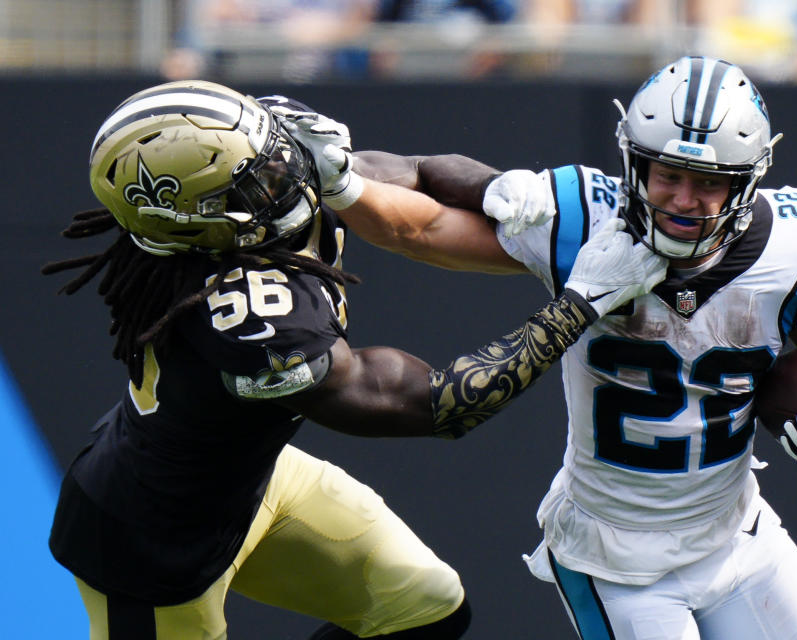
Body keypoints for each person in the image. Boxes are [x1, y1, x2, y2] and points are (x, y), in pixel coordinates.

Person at [43, 80, 666, 640]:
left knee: (423, 609)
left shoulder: (262, 150)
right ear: (198, 223)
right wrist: (578, 305)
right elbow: (433, 402)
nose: (286, 176)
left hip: (252, 481)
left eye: (277, 159)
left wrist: (500, 190)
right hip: (153, 542)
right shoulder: (239, 316)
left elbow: (410, 171)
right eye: (258, 183)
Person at [344, 55, 797, 638]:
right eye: (667, 175)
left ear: (747, 180)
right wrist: (340, 185)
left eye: (708, 182)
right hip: (614, 561)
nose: (683, 199)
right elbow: (421, 229)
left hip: (739, 539)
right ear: (633, 164)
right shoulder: (585, 218)